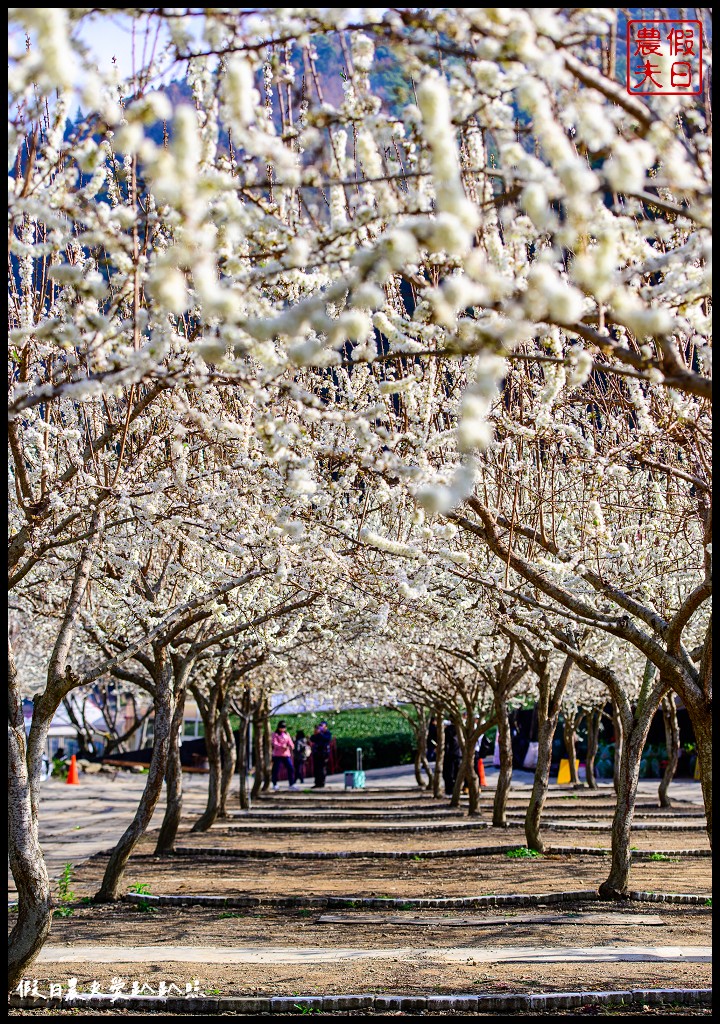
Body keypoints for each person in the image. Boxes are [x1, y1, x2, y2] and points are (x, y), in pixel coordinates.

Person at [271, 720, 296, 790]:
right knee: (276, 769)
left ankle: (291, 783)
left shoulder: (286, 734)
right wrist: (282, 746)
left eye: (284, 727)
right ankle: (274, 784)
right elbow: (274, 743)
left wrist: (291, 746)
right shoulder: (275, 734)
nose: (283, 729)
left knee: (290, 768)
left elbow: (290, 742)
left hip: (286, 755)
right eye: (281, 727)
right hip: (278, 755)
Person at [442, 721, 462, 795]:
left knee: (449, 773)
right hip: (458, 754)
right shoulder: (460, 729)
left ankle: (450, 790)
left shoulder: (449, 730)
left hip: (451, 755)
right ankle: (455, 790)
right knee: (455, 773)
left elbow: (447, 743)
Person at [311, 721, 332, 788]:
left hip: (323, 753)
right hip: (317, 753)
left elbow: (327, 739)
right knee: (316, 769)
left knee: (322, 769)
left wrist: (320, 733)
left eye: (322, 726)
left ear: (326, 727)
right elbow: (312, 739)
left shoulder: (327, 733)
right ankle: (317, 783)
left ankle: (322, 783)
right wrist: (315, 733)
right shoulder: (318, 733)